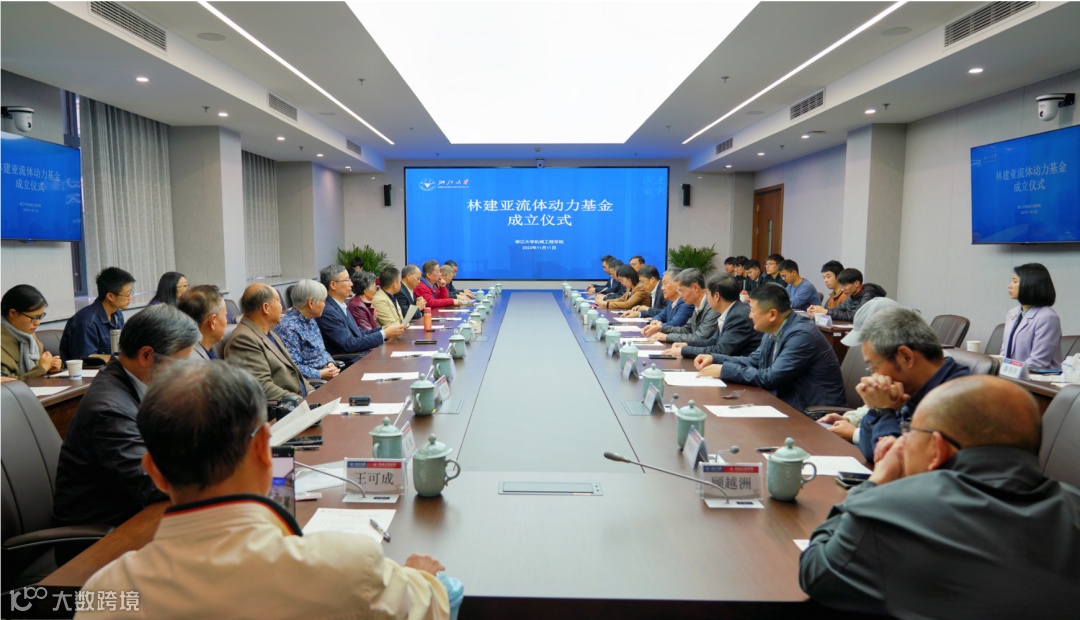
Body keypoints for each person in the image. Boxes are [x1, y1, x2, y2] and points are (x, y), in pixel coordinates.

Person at [78, 360, 450, 619]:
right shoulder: (350, 566)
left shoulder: (106, 592)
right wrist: (422, 578)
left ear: (154, 472)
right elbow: (431, 608)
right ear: (262, 448)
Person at [800, 375, 1080, 618]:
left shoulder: (893, 509)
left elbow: (816, 572)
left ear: (936, 448)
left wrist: (874, 485)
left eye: (910, 433)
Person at [53, 304, 199, 531]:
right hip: (104, 534)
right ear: (146, 355)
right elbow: (150, 482)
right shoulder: (109, 410)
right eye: (180, 362)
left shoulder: (136, 381)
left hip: (133, 511)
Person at [842, 306, 970, 463]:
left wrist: (883, 411)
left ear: (906, 357)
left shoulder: (956, 400)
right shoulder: (913, 389)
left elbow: (894, 464)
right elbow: (871, 452)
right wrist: (876, 409)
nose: (872, 376)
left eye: (874, 367)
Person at [696, 284, 846, 412]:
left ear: (772, 314)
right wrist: (714, 358)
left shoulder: (802, 336)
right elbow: (754, 361)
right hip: (789, 403)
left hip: (814, 414)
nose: (749, 316)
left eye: (752, 310)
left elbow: (771, 378)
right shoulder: (774, 329)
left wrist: (724, 370)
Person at [224, 283, 311, 403]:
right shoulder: (243, 339)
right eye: (278, 301)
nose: (282, 307)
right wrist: (303, 402)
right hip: (284, 409)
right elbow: (262, 388)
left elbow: (295, 373)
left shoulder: (270, 333)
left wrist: (311, 392)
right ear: (266, 307)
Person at [317, 264, 407, 357]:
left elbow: (359, 333)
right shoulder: (328, 311)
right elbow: (348, 344)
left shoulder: (341, 305)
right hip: (351, 361)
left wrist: (383, 329)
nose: (351, 284)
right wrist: (384, 334)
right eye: (347, 280)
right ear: (333, 285)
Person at [664, 274, 761, 360]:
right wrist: (686, 345)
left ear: (717, 296)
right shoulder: (732, 311)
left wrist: (684, 350)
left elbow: (721, 350)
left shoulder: (738, 316)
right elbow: (713, 341)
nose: (707, 297)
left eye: (708, 294)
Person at [59, 267, 135, 361]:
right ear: (110, 296)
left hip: (111, 367)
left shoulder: (117, 315)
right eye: (127, 294)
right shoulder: (87, 322)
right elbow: (87, 360)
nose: (130, 298)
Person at [273, 279, 340, 382]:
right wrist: (320, 374)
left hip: (328, 376)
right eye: (323, 301)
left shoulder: (311, 319)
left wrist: (330, 363)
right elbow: (292, 367)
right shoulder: (288, 328)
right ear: (311, 303)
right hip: (313, 384)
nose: (325, 305)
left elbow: (321, 351)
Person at [1001, 262, 1062, 370]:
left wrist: (1007, 370)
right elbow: (1004, 352)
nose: (1009, 285)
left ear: (1030, 284)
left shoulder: (1048, 317)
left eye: (1015, 281)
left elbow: (1038, 362)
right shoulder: (1012, 313)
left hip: (1035, 377)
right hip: (1012, 374)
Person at [2, 284, 63, 379]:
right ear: (13, 313)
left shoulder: (28, 335)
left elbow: (40, 366)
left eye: (40, 317)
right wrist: (42, 368)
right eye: (34, 318)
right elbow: (8, 384)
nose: (37, 322)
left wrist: (52, 365)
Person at [644, 269, 719, 344]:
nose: (680, 295)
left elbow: (699, 337)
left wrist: (667, 337)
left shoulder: (712, 307)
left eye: (682, 291)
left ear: (695, 287)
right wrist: (661, 328)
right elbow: (686, 329)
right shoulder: (698, 305)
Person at [809, 268, 886, 322]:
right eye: (841, 286)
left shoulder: (869, 294)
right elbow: (838, 309)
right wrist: (818, 310)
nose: (842, 289)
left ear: (856, 283)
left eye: (845, 286)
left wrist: (826, 312)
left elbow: (856, 316)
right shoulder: (852, 295)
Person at [176, 284, 228, 360]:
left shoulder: (182, 348)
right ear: (212, 321)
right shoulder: (196, 363)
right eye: (225, 315)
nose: (226, 321)